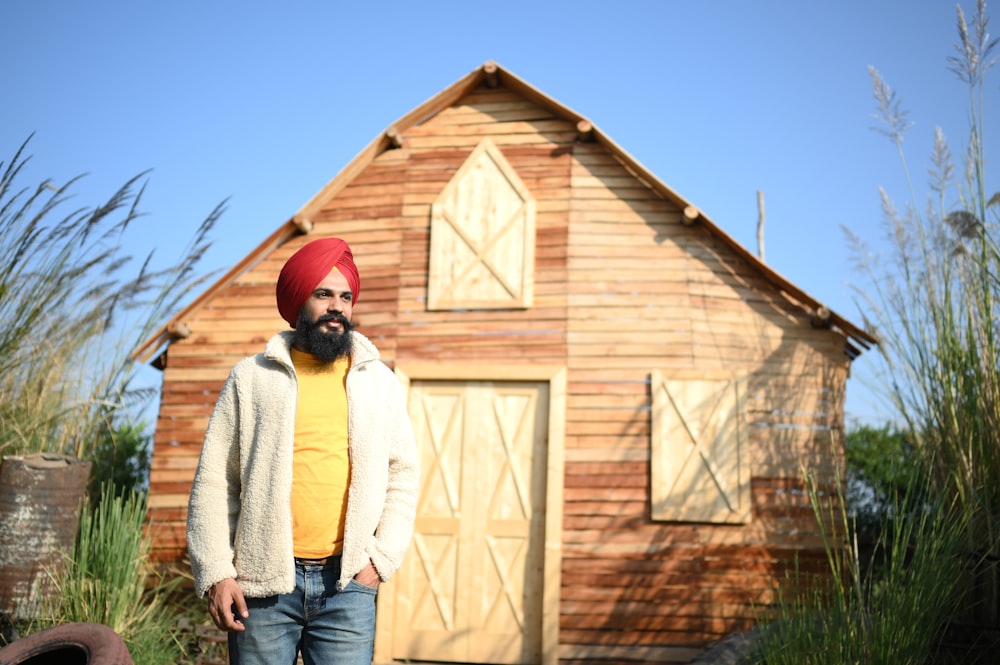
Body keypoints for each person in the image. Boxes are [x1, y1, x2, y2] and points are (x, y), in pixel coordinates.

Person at [186, 237, 420, 665]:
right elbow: (215, 481)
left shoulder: (378, 383)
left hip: (348, 585)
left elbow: (402, 475)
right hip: (263, 587)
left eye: (345, 297)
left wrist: (380, 561)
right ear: (298, 301)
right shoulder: (251, 378)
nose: (337, 307)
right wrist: (217, 572)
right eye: (323, 294)